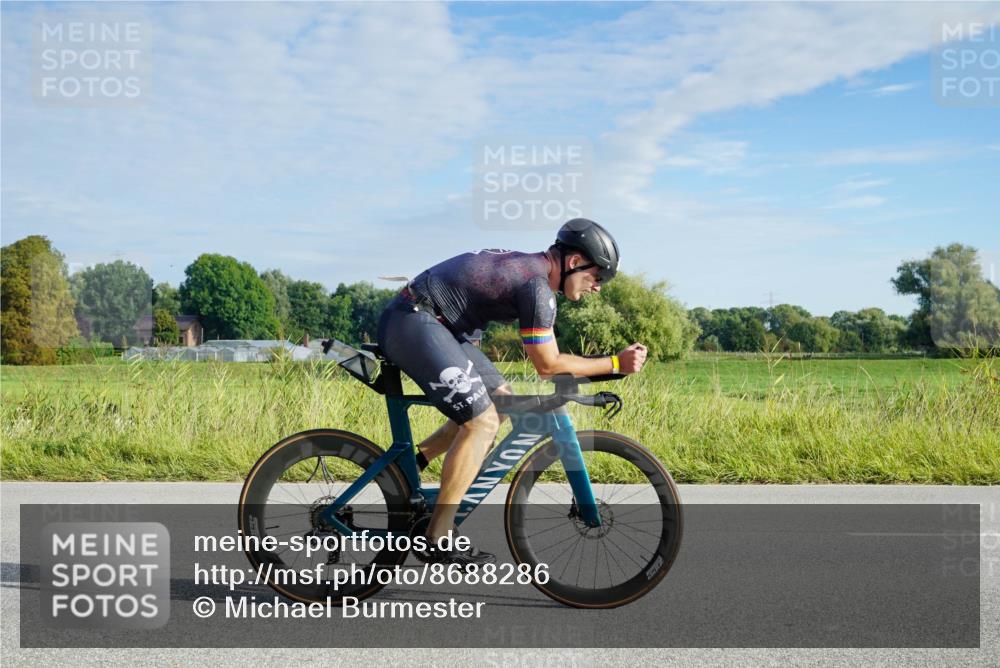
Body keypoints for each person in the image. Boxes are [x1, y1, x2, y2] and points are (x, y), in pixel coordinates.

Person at [375, 218, 648, 565]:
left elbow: (551, 363)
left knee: (500, 404)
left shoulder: (535, 276)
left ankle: (412, 465)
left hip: (441, 325)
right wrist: (613, 363)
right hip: (415, 321)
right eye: (598, 277)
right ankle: (438, 536)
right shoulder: (536, 287)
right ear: (575, 262)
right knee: (482, 422)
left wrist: (603, 367)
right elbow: (547, 366)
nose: (598, 288)